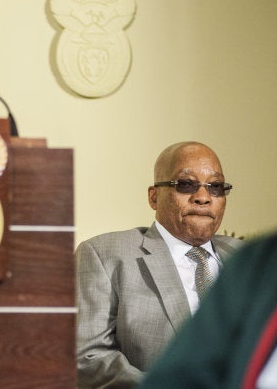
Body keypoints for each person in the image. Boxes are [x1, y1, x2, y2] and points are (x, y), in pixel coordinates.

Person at [75, 141, 243, 388]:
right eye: (186, 185)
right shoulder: (105, 255)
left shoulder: (247, 257)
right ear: (154, 197)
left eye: (215, 187)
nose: (203, 198)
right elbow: (87, 356)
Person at [141, 229, 277, 388]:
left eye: (219, 200)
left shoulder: (238, 249)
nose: (204, 201)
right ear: (153, 202)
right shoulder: (261, 259)